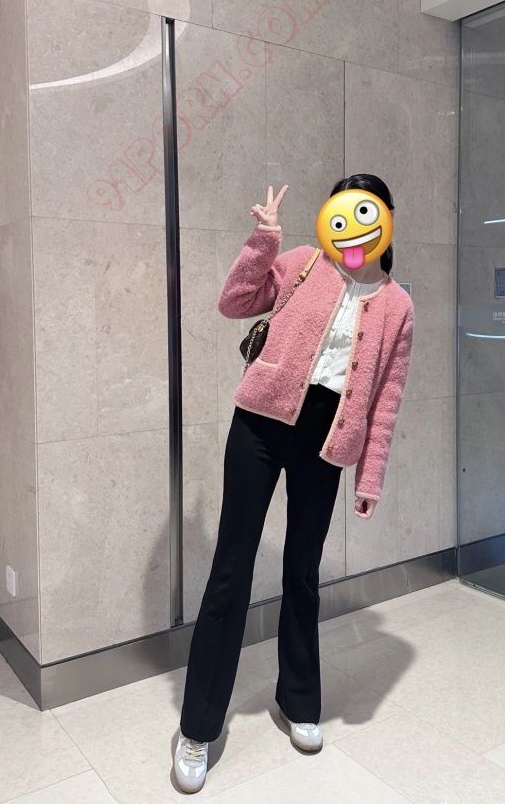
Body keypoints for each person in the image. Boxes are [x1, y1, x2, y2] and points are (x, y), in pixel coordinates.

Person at [174, 174, 414, 794]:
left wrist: (371, 475)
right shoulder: (305, 262)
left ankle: (298, 700)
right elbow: (235, 301)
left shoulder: (397, 305)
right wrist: (265, 239)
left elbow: (386, 399)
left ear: (385, 219)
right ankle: (197, 726)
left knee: (303, 571)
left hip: (326, 440)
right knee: (231, 567)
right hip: (259, 424)